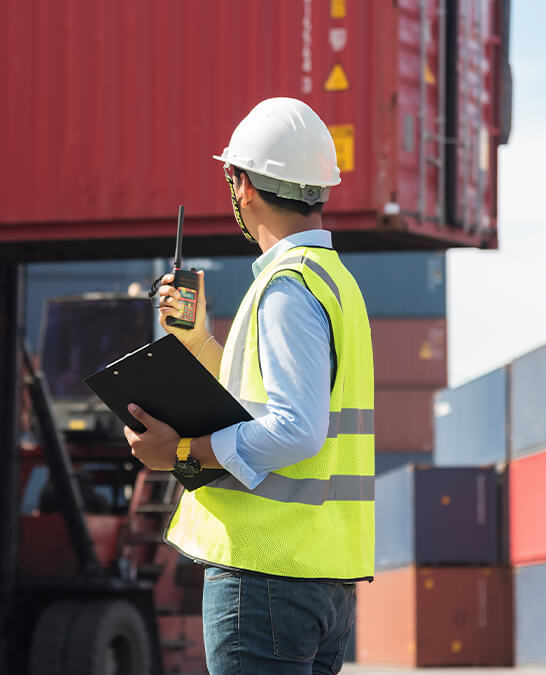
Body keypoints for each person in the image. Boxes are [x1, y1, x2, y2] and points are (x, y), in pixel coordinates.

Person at [123, 98, 375, 675]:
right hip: (318, 577)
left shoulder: (285, 289)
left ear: (244, 187)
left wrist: (180, 453)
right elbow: (273, 408)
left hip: (265, 580)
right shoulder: (334, 284)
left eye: (231, 179)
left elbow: (297, 430)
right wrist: (199, 342)